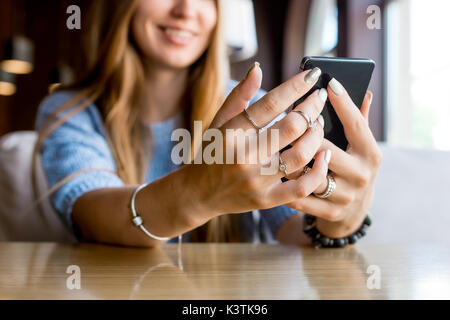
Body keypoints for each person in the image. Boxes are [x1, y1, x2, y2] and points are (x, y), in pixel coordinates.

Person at [35, 0, 382, 247]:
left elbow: (295, 233)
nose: (186, 10)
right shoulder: (69, 110)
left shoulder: (255, 108)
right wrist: (199, 190)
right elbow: (90, 213)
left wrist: (339, 220)